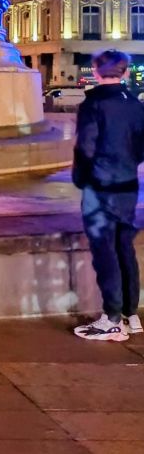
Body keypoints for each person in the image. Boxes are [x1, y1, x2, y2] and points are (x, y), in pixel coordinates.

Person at [72, 50, 144, 341]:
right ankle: (130, 314)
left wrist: (82, 178)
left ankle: (112, 319)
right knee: (124, 247)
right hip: (127, 184)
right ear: (125, 72)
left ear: (96, 71)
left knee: (104, 251)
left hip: (100, 186)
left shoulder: (93, 103)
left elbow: (86, 146)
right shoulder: (135, 104)